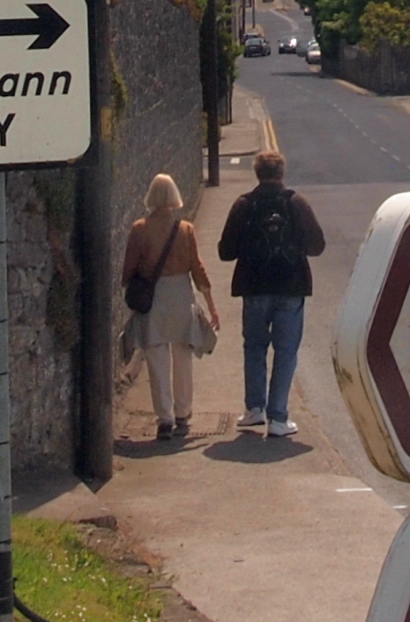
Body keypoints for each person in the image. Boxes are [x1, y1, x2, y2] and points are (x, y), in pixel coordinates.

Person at [218, 149, 325, 437]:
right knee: (286, 351)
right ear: (281, 174)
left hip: (254, 287)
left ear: (257, 173)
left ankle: (254, 410)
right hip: (291, 286)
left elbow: (225, 252)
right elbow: (317, 246)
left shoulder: (244, 205)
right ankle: (278, 418)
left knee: (254, 347)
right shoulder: (296, 204)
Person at [121, 173, 218, 441]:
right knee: (183, 355)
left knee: (156, 358)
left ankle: (164, 418)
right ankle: (183, 412)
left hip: (154, 298)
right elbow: (198, 270)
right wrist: (211, 307)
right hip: (180, 296)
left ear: (151, 196)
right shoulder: (185, 229)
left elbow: (128, 270)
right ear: (174, 196)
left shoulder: (140, 229)